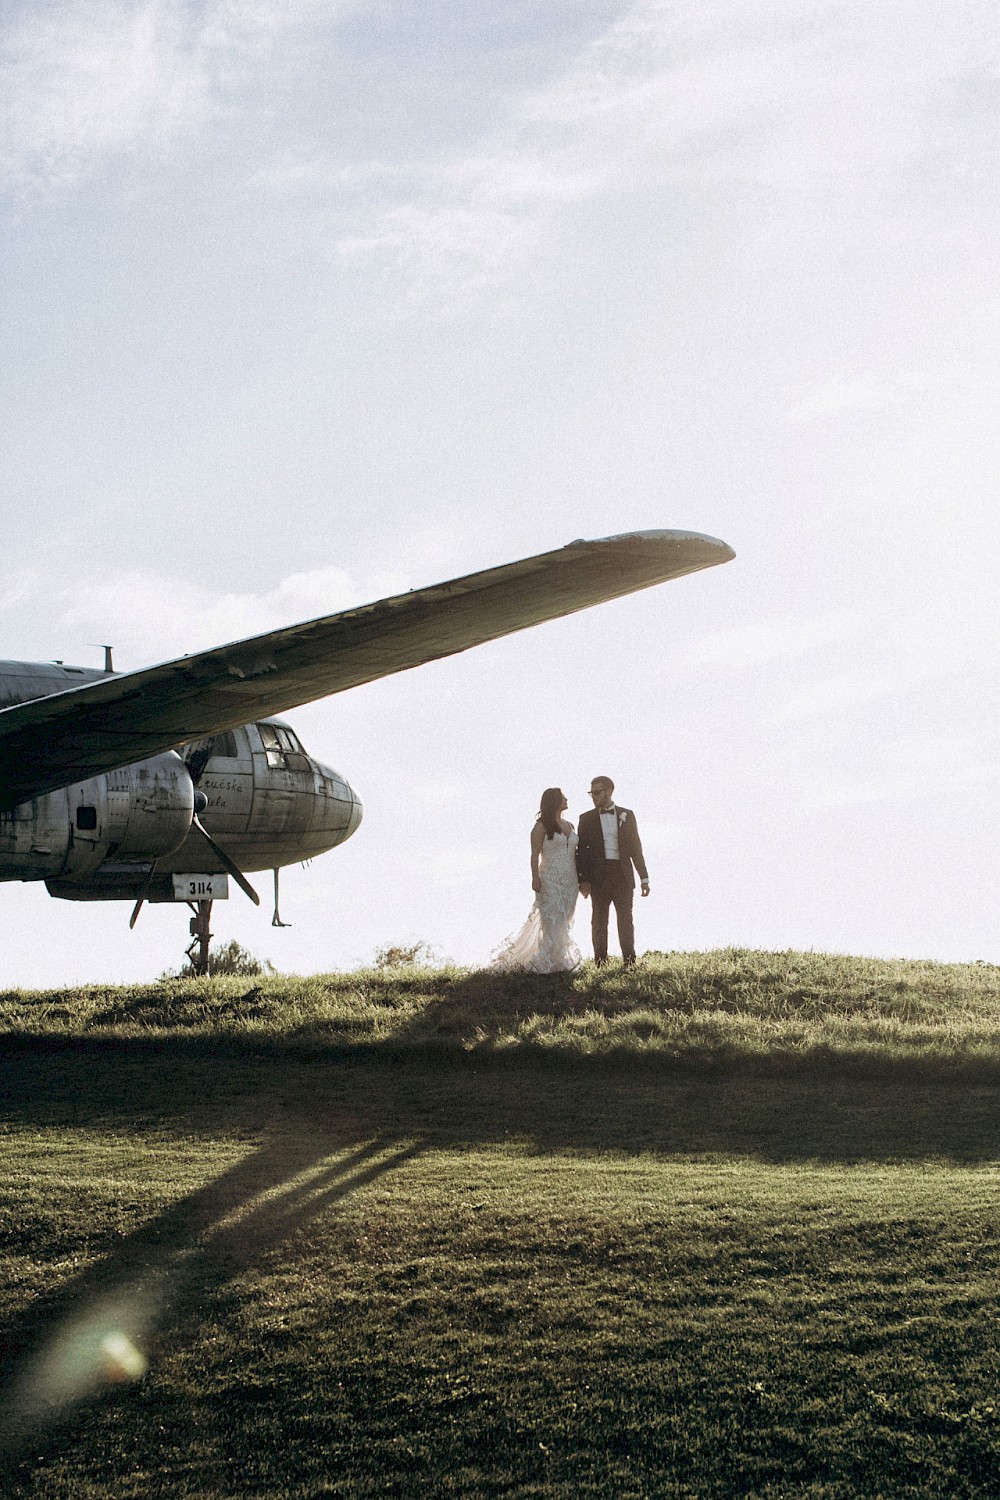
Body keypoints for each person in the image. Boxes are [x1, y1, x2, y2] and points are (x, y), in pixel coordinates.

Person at [492, 788, 582, 973]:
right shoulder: (541, 827)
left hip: (570, 879)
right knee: (552, 919)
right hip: (549, 878)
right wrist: (535, 878)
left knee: (565, 918)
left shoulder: (570, 826)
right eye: (563, 797)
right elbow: (534, 855)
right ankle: (549, 962)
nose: (566, 799)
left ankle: (560, 958)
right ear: (554, 801)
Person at [576, 775, 649, 965]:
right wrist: (583, 880)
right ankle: (600, 962)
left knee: (626, 919)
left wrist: (644, 878)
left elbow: (636, 848)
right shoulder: (586, 819)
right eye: (591, 793)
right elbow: (581, 852)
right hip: (598, 876)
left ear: (609, 791)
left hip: (622, 874)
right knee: (599, 921)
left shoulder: (627, 815)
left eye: (597, 792)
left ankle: (630, 961)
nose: (594, 797)